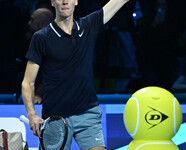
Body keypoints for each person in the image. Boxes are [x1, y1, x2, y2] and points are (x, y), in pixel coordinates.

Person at [21, 0, 131, 149]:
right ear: (53, 2)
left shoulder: (88, 25)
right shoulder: (41, 38)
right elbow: (28, 83)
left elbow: (117, 2)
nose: (65, 1)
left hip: (87, 113)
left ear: (76, 1)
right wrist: (32, 114)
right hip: (55, 118)